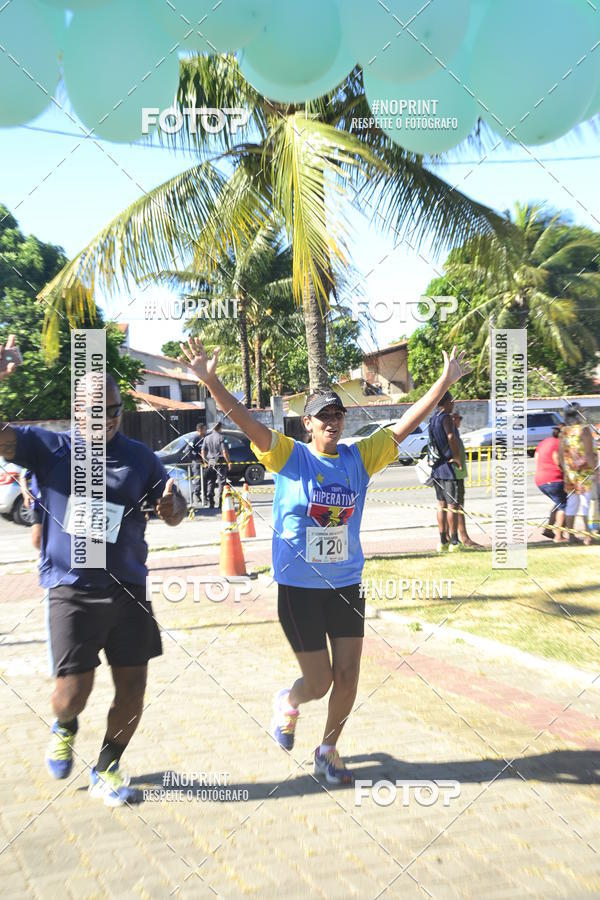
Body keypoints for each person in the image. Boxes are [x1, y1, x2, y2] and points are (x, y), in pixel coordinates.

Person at [180, 336, 471, 784]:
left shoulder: (359, 458)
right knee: (318, 683)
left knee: (349, 676)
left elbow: (406, 423)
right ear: (308, 424)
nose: (332, 422)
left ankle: (328, 750)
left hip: (346, 584)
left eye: (338, 414)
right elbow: (244, 419)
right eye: (323, 416)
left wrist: (444, 381)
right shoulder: (290, 456)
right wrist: (211, 381)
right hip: (300, 587)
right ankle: (289, 702)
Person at [0, 336, 187, 806]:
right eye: (97, 410)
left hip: (128, 589)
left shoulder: (139, 456)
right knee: (72, 695)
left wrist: (173, 507)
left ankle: (108, 766)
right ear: (77, 411)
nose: (108, 417)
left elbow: (174, 507)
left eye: (115, 409)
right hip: (72, 590)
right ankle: (64, 726)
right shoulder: (49, 447)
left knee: (134, 688)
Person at [559, 403, 597, 545]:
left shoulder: (564, 432)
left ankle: (571, 536)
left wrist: (566, 470)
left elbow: (561, 455)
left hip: (570, 474)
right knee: (586, 504)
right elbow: (588, 453)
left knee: (572, 505)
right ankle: (588, 536)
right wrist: (596, 470)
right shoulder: (584, 430)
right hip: (585, 471)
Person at [429, 392, 462, 552]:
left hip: (436, 467)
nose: (453, 404)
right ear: (447, 401)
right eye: (452, 400)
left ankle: (443, 540)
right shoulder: (446, 417)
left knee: (440, 504)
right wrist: (456, 457)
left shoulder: (432, 418)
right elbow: (451, 437)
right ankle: (454, 541)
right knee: (452, 505)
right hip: (448, 467)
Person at [451, 412, 481, 548]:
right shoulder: (450, 434)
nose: (460, 420)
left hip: (458, 474)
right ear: (453, 419)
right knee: (456, 506)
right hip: (454, 474)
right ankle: (463, 538)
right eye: (459, 418)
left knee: (455, 506)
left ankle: (455, 538)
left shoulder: (454, 433)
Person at [534, 425, 567, 543]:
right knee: (565, 506)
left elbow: (536, 458)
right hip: (554, 479)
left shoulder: (544, 442)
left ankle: (548, 529)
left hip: (540, 479)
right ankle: (559, 536)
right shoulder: (559, 443)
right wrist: (566, 472)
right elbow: (557, 458)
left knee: (559, 503)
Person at [201, 421, 231, 510]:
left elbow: (203, 451)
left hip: (211, 461)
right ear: (219, 428)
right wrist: (228, 462)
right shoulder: (221, 437)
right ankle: (221, 503)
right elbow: (224, 451)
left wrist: (205, 461)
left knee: (211, 481)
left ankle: (211, 502)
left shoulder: (207, 438)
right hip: (220, 461)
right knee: (221, 482)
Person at [19, 468, 43, 550]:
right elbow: (23, 477)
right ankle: (42, 553)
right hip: (37, 504)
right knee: (37, 539)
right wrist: (26, 494)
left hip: (57, 503)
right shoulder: (35, 459)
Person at [189, 422, 206, 508]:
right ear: (200, 430)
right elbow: (188, 450)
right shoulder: (194, 439)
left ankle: (205, 496)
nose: (206, 430)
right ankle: (197, 496)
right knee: (197, 479)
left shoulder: (205, 438)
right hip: (197, 462)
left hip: (204, 462)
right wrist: (196, 458)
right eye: (204, 429)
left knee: (205, 479)